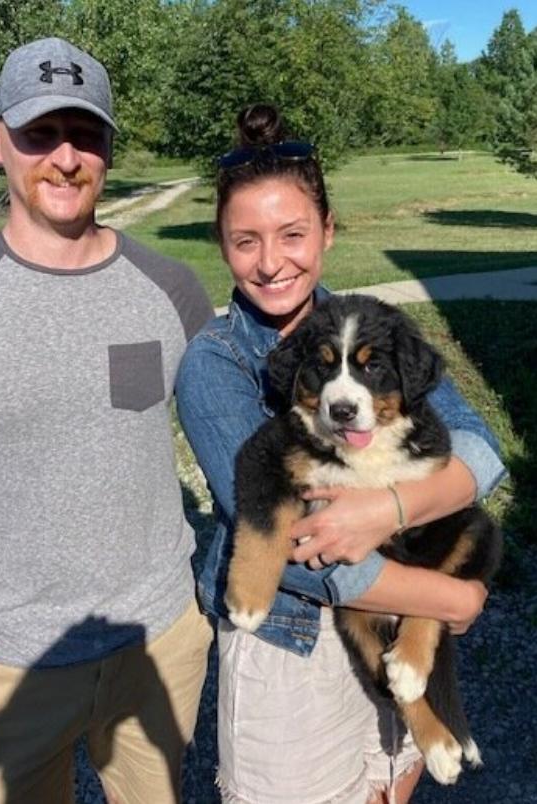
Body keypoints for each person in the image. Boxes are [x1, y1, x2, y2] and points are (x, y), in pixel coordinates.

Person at [175, 104, 507, 804]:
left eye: (293, 234)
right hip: (291, 641)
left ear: (328, 230)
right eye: (246, 241)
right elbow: (298, 541)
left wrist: (390, 508)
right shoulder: (215, 362)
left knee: (390, 786)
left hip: (398, 599)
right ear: (221, 244)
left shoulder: (377, 325)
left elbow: (481, 448)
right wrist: (449, 595)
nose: (271, 262)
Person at [0, 37, 214, 804]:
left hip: (159, 644)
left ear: (108, 149)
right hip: (12, 663)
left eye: (85, 134)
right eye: (40, 133)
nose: (64, 157)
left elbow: (249, 436)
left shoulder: (172, 291)